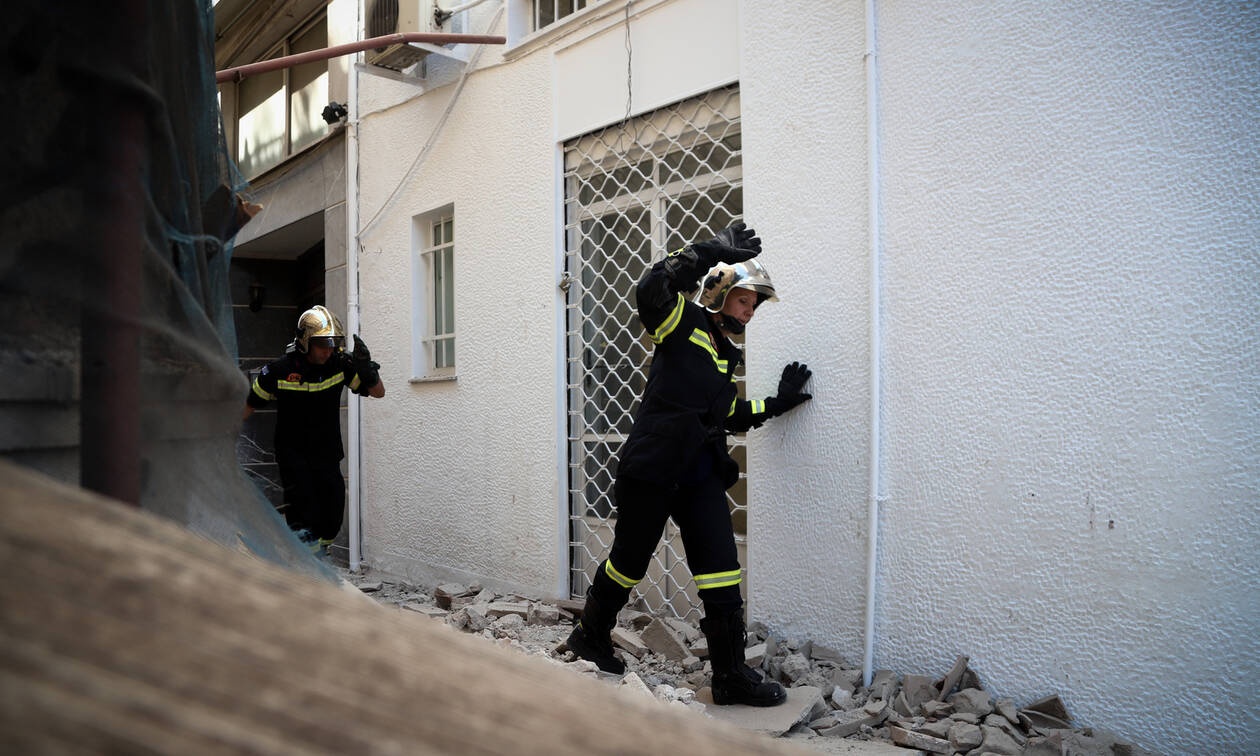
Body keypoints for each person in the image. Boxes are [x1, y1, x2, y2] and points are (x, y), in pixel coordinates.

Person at [565, 222, 813, 707]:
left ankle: (730, 677)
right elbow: (651, 288)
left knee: (721, 568)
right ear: (720, 294)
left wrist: (777, 405)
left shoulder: (725, 355)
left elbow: (729, 415)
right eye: (745, 299)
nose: (751, 310)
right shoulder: (681, 322)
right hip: (653, 466)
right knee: (628, 562)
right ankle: (590, 636)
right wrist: (711, 251)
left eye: (755, 304)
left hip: (699, 471)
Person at [242, 305, 385, 553]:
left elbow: (378, 393)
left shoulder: (339, 365)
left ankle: (320, 554)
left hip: (327, 453)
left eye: (333, 344)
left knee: (333, 510)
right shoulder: (280, 370)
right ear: (305, 341)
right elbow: (250, 404)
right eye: (322, 344)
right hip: (293, 454)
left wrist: (368, 372)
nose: (328, 351)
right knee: (303, 512)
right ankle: (306, 566)